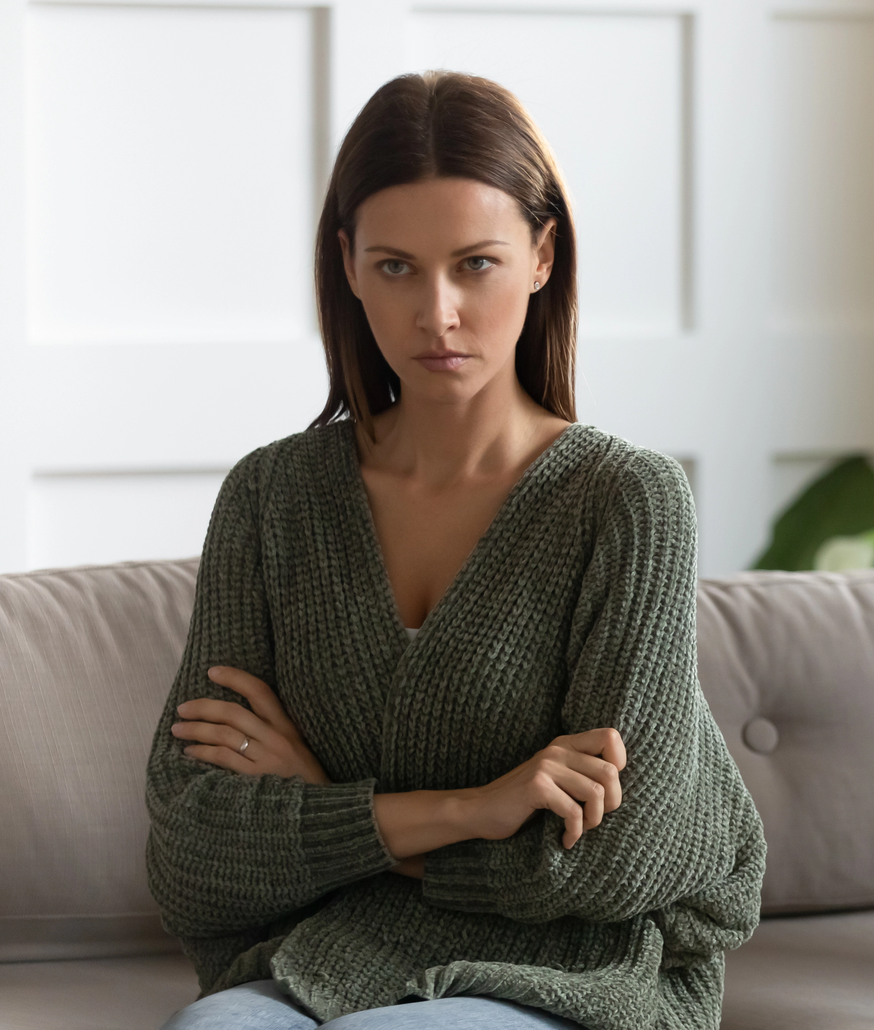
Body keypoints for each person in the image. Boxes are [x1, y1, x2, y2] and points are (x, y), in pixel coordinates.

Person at [147, 72, 765, 1030]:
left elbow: (618, 854)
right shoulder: (270, 498)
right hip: (324, 954)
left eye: (474, 263)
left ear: (542, 256)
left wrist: (334, 812)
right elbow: (192, 851)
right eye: (396, 266)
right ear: (347, 263)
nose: (436, 313)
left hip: (572, 976)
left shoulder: (627, 502)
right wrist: (476, 808)